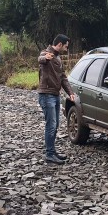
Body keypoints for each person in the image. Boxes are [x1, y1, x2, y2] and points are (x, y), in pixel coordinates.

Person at [38, 34, 72, 164]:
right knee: (51, 125)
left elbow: (63, 77)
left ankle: (52, 151)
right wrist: (45, 58)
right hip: (46, 95)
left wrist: (70, 93)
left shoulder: (58, 57)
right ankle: (49, 154)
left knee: (55, 124)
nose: (66, 49)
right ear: (59, 44)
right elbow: (40, 59)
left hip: (55, 95)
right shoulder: (47, 53)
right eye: (66, 46)